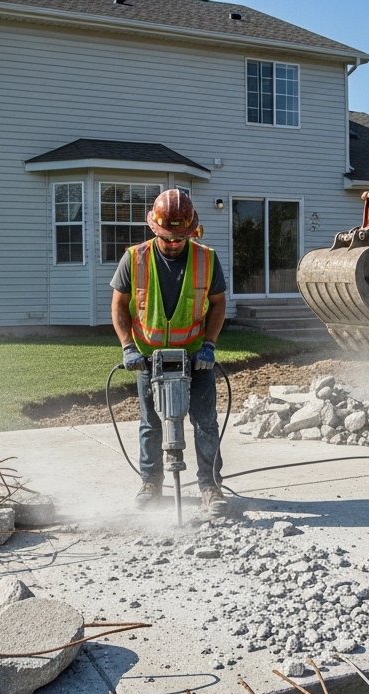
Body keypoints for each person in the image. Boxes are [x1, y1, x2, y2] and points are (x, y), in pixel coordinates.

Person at [110, 189, 229, 516]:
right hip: (148, 357)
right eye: (167, 237)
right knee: (151, 423)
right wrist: (127, 346)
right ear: (154, 228)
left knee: (205, 421)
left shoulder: (207, 258)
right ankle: (151, 484)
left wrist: (209, 344)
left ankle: (210, 486)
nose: (173, 243)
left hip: (195, 354)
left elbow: (218, 304)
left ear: (192, 231)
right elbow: (118, 306)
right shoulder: (134, 258)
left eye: (180, 238)